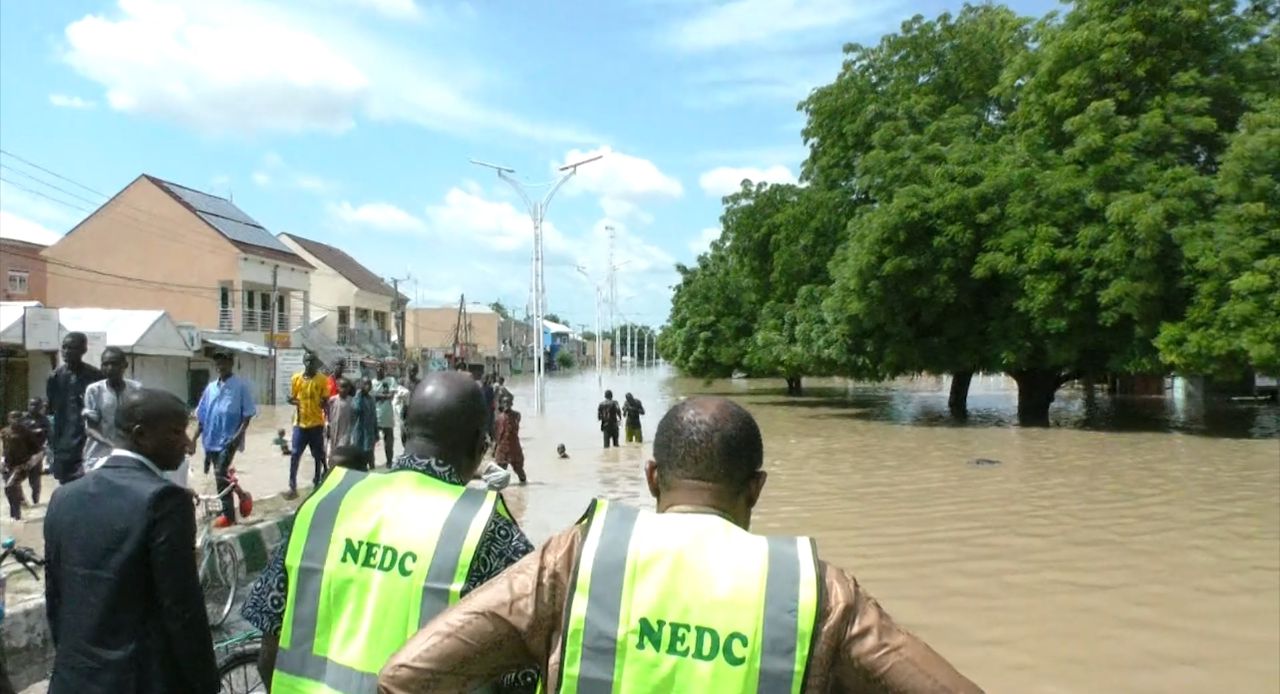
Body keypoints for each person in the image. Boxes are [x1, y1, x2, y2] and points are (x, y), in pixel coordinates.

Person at [379, 397, 983, 693]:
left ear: (650, 478)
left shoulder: (576, 559)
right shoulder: (817, 593)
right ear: (757, 489)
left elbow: (406, 675)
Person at [241, 371, 538, 692]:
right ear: (480, 444)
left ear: (405, 428)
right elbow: (527, 672)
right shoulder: (489, 533)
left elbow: (269, 649)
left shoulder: (324, 505)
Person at [44, 388, 219, 694]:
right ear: (141, 435)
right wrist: (206, 683)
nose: (188, 444)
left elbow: (56, 599)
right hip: (138, 682)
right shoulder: (165, 501)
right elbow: (181, 607)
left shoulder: (63, 497)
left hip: (72, 679)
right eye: (176, 432)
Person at [191, 349, 257, 526]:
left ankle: (229, 516)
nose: (220, 366)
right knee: (221, 474)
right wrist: (193, 440)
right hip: (211, 439)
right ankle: (242, 496)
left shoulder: (241, 387)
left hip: (229, 439)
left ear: (231, 363)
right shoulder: (211, 388)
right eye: (218, 363)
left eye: (224, 362)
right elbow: (202, 416)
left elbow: (248, 415)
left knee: (220, 474)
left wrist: (237, 436)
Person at [46, 332, 104, 483]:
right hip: (64, 443)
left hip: (89, 441)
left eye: (72, 348)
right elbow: (52, 410)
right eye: (64, 347)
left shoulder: (95, 376)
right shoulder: (56, 377)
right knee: (65, 486)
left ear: (83, 350)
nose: (66, 351)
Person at [82, 347, 142, 472]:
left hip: (128, 454)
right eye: (105, 364)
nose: (109, 368)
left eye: (114, 364)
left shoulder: (136, 389)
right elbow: (90, 428)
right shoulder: (94, 390)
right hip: (98, 455)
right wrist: (112, 445)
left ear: (124, 365)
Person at [287, 353, 330, 499]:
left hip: (316, 423)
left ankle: (317, 480)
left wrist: (325, 409)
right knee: (295, 454)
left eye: (312, 361)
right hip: (300, 424)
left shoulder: (322, 380)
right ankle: (292, 485)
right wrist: (292, 401)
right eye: (307, 361)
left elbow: (326, 400)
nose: (309, 364)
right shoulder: (296, 379)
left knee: (317, 455)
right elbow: (293, 398)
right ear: (303, 362)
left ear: (316, 363)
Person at [2, 412, 38, 520]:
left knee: (10, 486)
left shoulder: (26, 432)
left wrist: (32, 462)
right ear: (9, 419)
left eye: (18, 418)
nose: (16, 420)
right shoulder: (4, 432)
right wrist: (2, 460)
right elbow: (4, 448)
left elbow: (36, 448)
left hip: (21, 465)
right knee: (10, 489)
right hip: (7, 465)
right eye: (13, 418)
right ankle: (18, 506)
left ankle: (16, 516)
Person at [493, 393, 526, 484]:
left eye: (508, 402)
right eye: (504, 402)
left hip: (514, 446)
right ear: (502, 404)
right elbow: (497, 433)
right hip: (502, 447)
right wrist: (495, 447)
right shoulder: (499, 418)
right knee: (500, 471)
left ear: (511, 403)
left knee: (519, 470)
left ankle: (523, 488)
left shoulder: (516, 415)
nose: (506, 404)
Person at [352, 377, 379, 470]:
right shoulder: (357, 398)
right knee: (359, 457)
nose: (367, 386)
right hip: (359, 432)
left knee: (370, 456)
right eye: (365, 384)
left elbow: (374, 417)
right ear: (361, 385)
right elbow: (356, 409)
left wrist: (376, 432)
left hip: (369, 433)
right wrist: (359, 395)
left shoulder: (371, 399)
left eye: (369, 384)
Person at [374, 364, 398, 466]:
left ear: (384, 370)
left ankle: (389, 461)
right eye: (377, 368)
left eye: (381, 368)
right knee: (371, 441)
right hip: (375, 416)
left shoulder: (391, 380)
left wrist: (379, 396)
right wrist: (385, 396)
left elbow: (391, 396)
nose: (379, 370)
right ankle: (371, 463)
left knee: (389, 441)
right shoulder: (372, 382)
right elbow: (372, 396)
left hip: (387, 416)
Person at [326, 378, 356, 454]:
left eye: (346, 387)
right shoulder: (333, 400)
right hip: (335, 427)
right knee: (334, 447)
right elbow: (327, 412)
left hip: (347, 428)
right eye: (342, 387)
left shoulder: (352, 401)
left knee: (345, 447)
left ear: (349, 389)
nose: (344, 389)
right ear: (338, 388)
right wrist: (328, 424)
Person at [394, 363, 421, 447]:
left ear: (417, 372)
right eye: (410, 371)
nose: (412, 373)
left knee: (415, 433)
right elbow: (396, 395)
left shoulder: (419, 383)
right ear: (407, 371)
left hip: (416, 410)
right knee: (403, 432)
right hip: (404, 410)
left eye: (414, 371)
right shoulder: (402, 381)